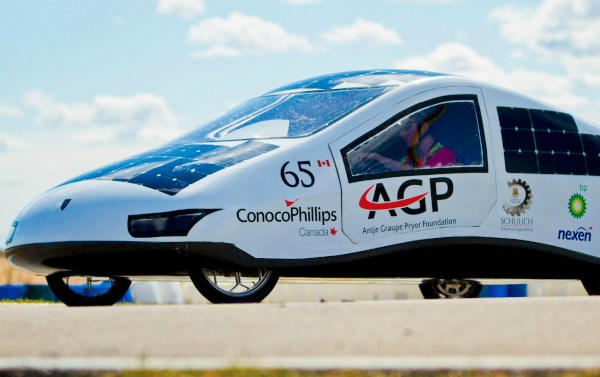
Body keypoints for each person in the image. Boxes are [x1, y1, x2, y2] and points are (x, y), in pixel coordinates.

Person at [352, 104, 456, 173]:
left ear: (423, 128)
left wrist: (379, 158)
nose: (401, 133)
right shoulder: (407, 159)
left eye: (406, 127)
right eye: (401, 128)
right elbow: (393, 169)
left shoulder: (445, 155)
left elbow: (423, 173)